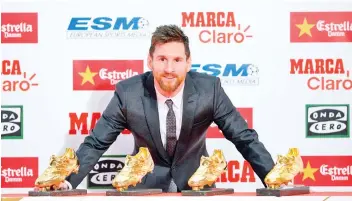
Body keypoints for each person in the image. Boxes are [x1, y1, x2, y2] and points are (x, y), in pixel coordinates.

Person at [58, 24, 275, 192]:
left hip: (196, 188)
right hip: (145, 189)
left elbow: (243, 137)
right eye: (162, 59)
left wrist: (274, 179)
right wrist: (66, 183)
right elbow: (96, 143)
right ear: (150, 61)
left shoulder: (210, 90)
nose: (169, 69)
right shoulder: (128, 93)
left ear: (188, 63)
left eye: (177, 60)